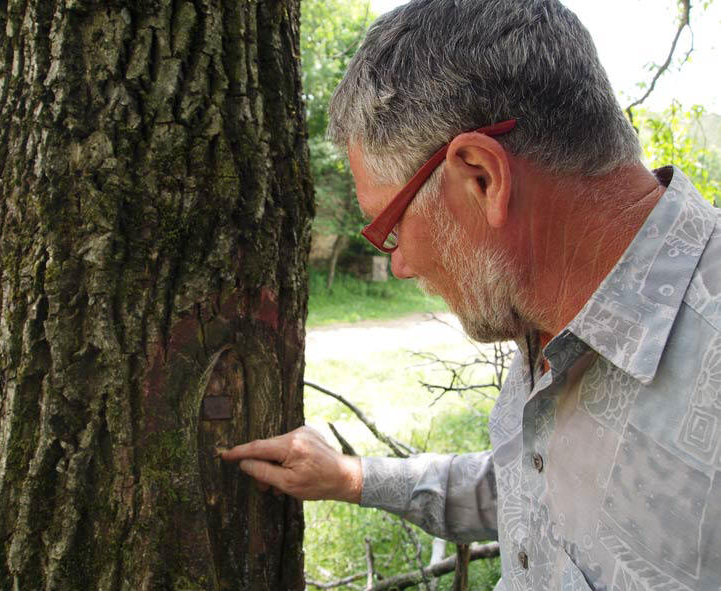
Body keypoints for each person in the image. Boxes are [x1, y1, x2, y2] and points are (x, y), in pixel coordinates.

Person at [222, 0, 721, 589]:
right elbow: (536, 484)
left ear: (482, 176)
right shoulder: (547, 307)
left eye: (389, 228)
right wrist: (352, 478)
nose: (400, 264)